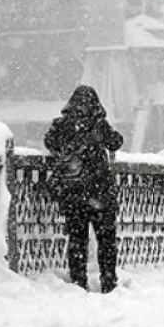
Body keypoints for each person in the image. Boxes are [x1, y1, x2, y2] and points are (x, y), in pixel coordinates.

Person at [44, 85, 123, 293]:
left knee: (77, 241)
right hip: (100, 193)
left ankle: (79, 282)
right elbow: (116, 143)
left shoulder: (62, 125)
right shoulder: (99, 125)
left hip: (74, 194)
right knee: (106, 241)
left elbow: (49, 142)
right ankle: (109, 281)